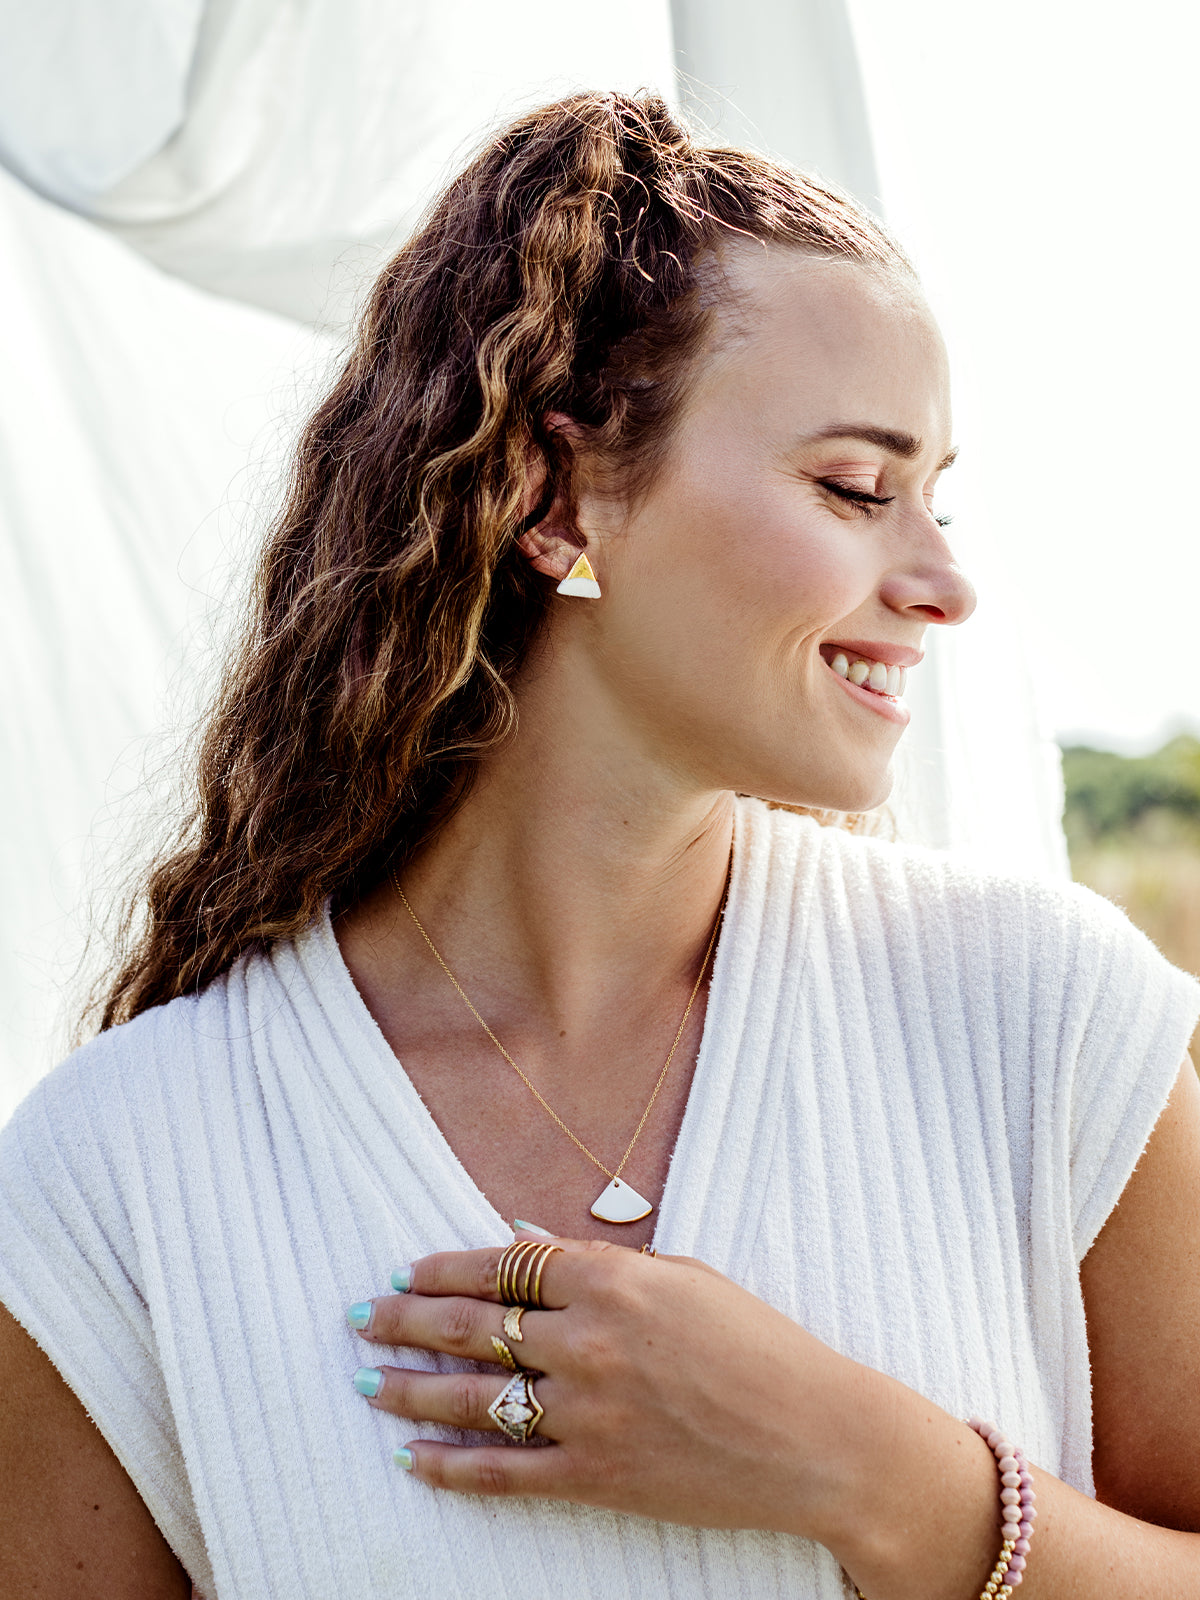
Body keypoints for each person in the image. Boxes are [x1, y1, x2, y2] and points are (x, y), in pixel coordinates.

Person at [1, 89, 1198, 1600]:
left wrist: (879, 1474)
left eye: (936, 500)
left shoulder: (1048, 1019)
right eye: (853, 488)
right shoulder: (115, 1178)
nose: (946, 584)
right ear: (554, 496)